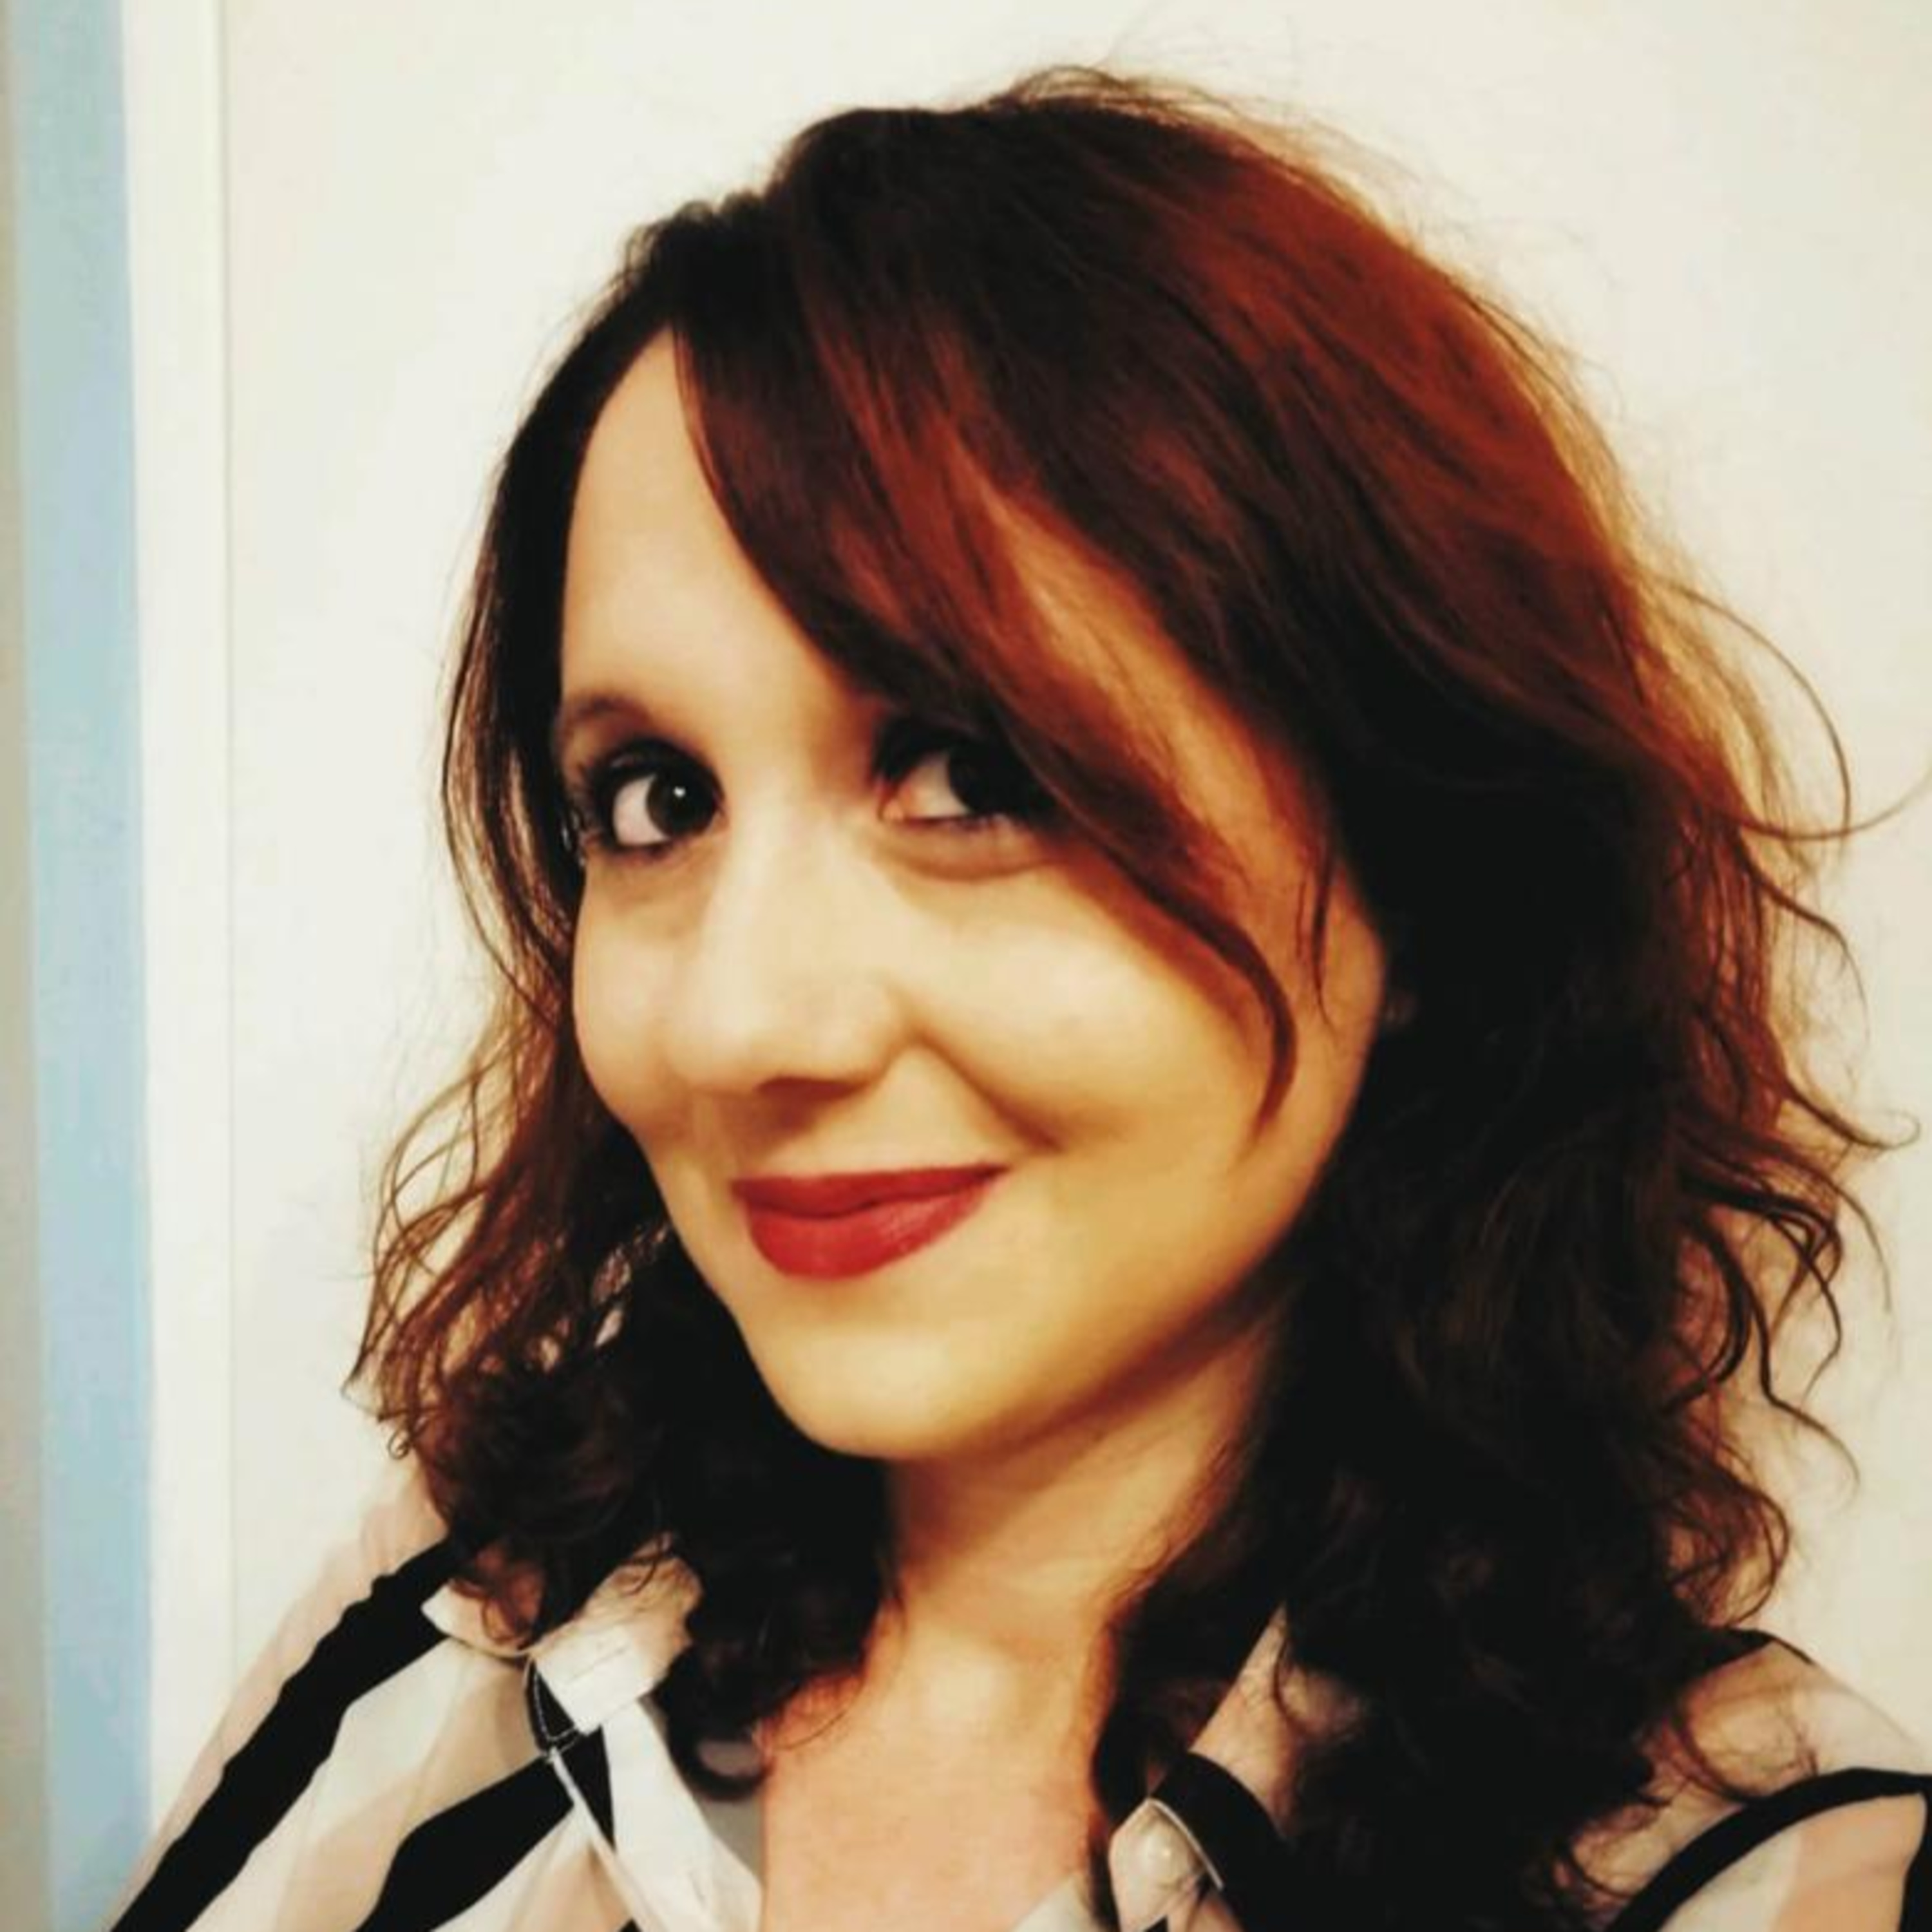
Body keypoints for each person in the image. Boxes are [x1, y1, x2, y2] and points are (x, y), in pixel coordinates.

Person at [106, 63, 1928, 1932]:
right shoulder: (462, 1611)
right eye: (655, 802)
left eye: (972, 773)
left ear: (1428, 880)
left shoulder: (1761, 1876)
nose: (737, 1024)